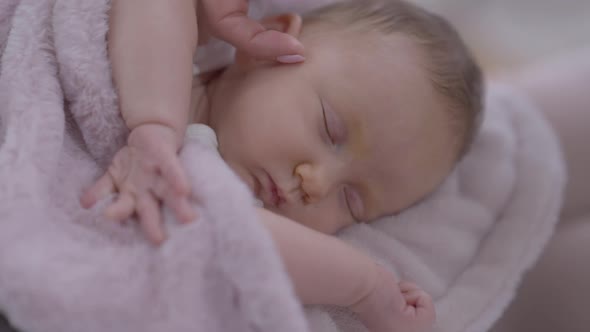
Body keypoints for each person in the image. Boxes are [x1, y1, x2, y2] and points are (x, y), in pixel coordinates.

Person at [81, 1, 484, 331]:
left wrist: (370, 287)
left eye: (352, 201)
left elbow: (240, 237)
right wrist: (155, 125)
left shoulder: (224, 192)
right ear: (271, 49)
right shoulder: (187, 44)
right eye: (330, 129)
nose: (317, 182)